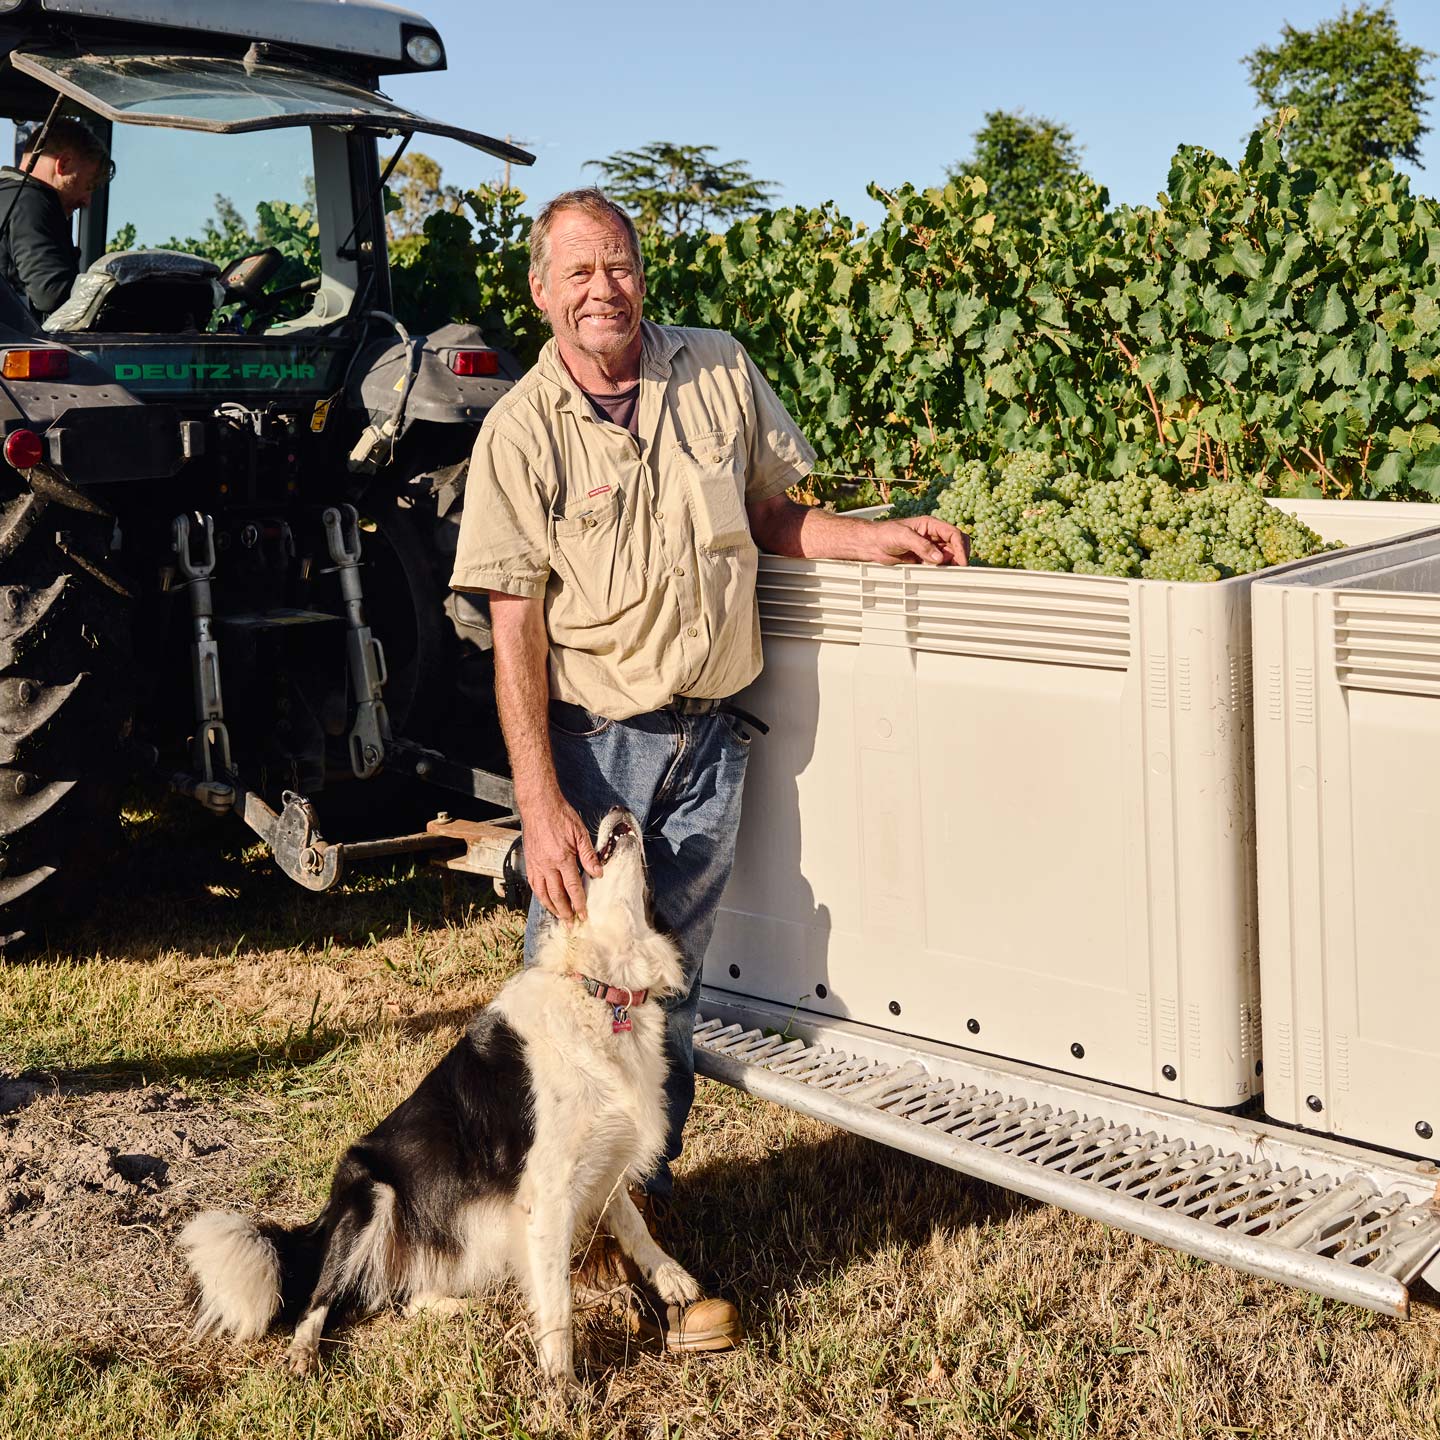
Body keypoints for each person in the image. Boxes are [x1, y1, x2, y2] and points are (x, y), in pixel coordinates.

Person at [450, 187, 966, 1350]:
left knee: (666, 1007)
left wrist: (869, 536)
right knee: (576, 1015)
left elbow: (775, 518)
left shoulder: (717, 371)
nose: (602, 289)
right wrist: (540, 803)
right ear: (541, 292)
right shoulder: (522, 430)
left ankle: (646, 1219)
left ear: (643, 273)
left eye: (619, 264)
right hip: (598, 748)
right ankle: (568, 1254)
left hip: (708, 742)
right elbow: (516, 633)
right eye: (576, 272)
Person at [0, 117, 112, 322]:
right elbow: (52, 296)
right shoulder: (31, 201)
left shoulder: (6, 195)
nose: (87, 201)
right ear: (64, 164)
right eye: (88, 186)